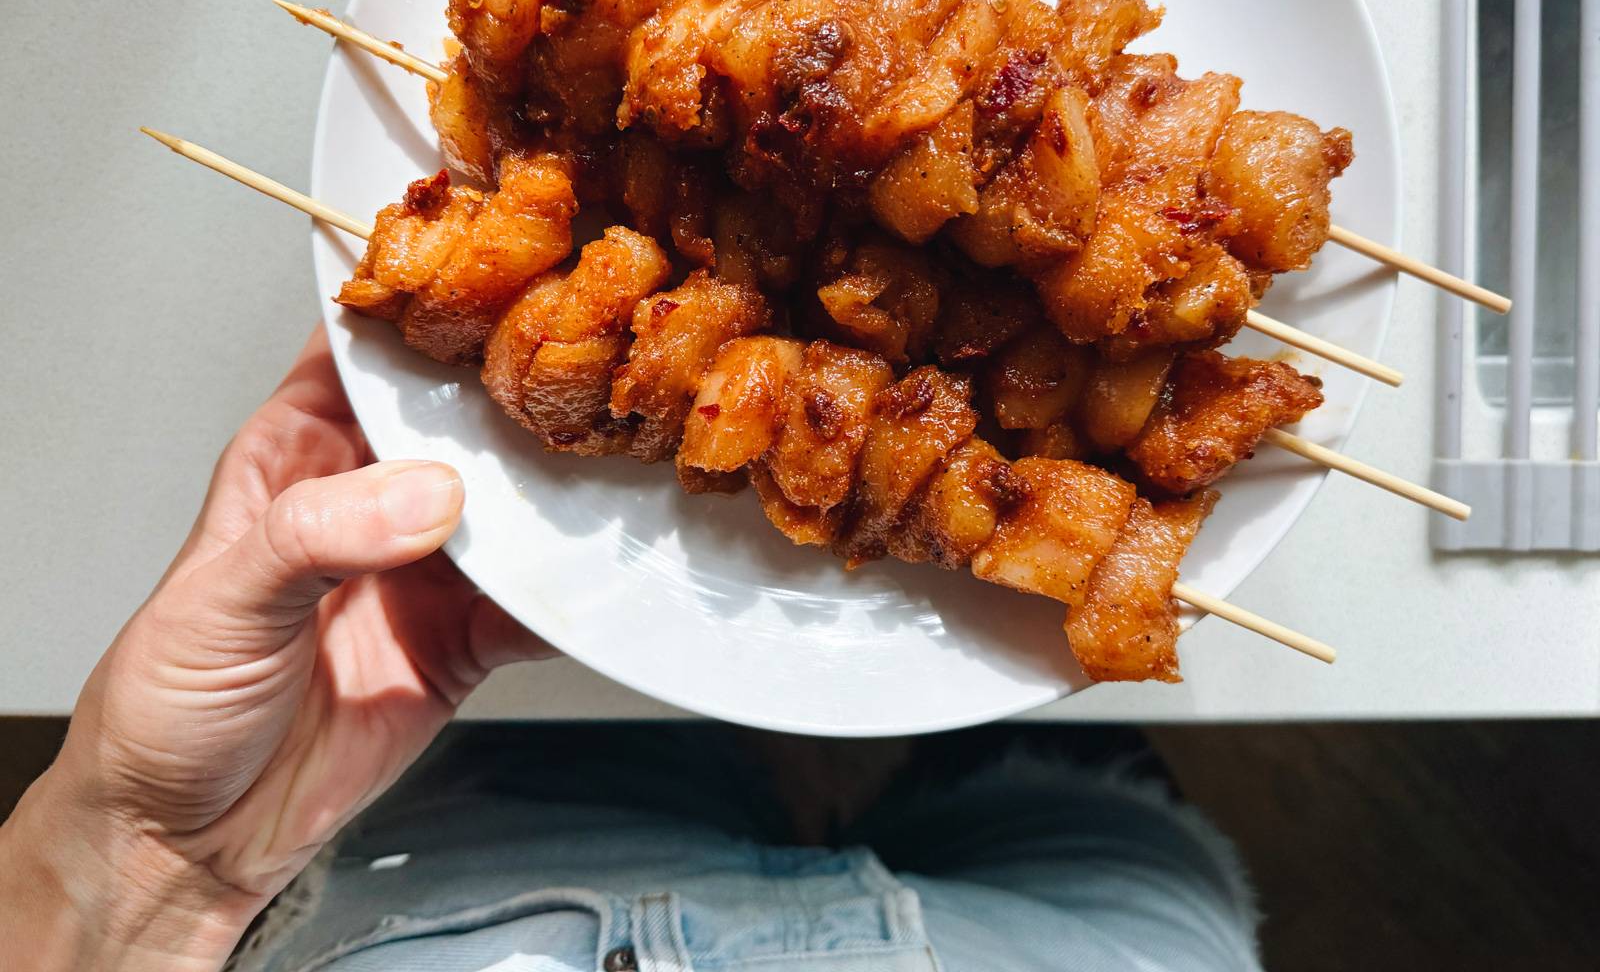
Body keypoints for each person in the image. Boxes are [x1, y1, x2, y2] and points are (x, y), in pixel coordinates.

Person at [0, 329, 1263, 971]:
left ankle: (991, 769)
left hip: (445, 914)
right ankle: (1023, 774)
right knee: (1116, 850)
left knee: (559, 752)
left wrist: (148, 865)